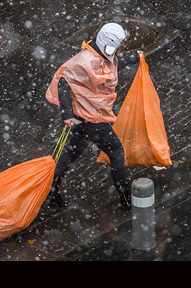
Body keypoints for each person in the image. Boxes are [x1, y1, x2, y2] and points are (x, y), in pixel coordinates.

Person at [45, 22, 141, 211]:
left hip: (83, 120)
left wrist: (134, 58)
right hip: (93, 120)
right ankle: (126, 200)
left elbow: (111, 66)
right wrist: (67, 113)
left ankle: (51, 193)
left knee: (70, 155)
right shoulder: (83, 61)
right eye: (119, 46)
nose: (121, 50)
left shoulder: (97, 55)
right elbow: (64, 82)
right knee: (116, 152)